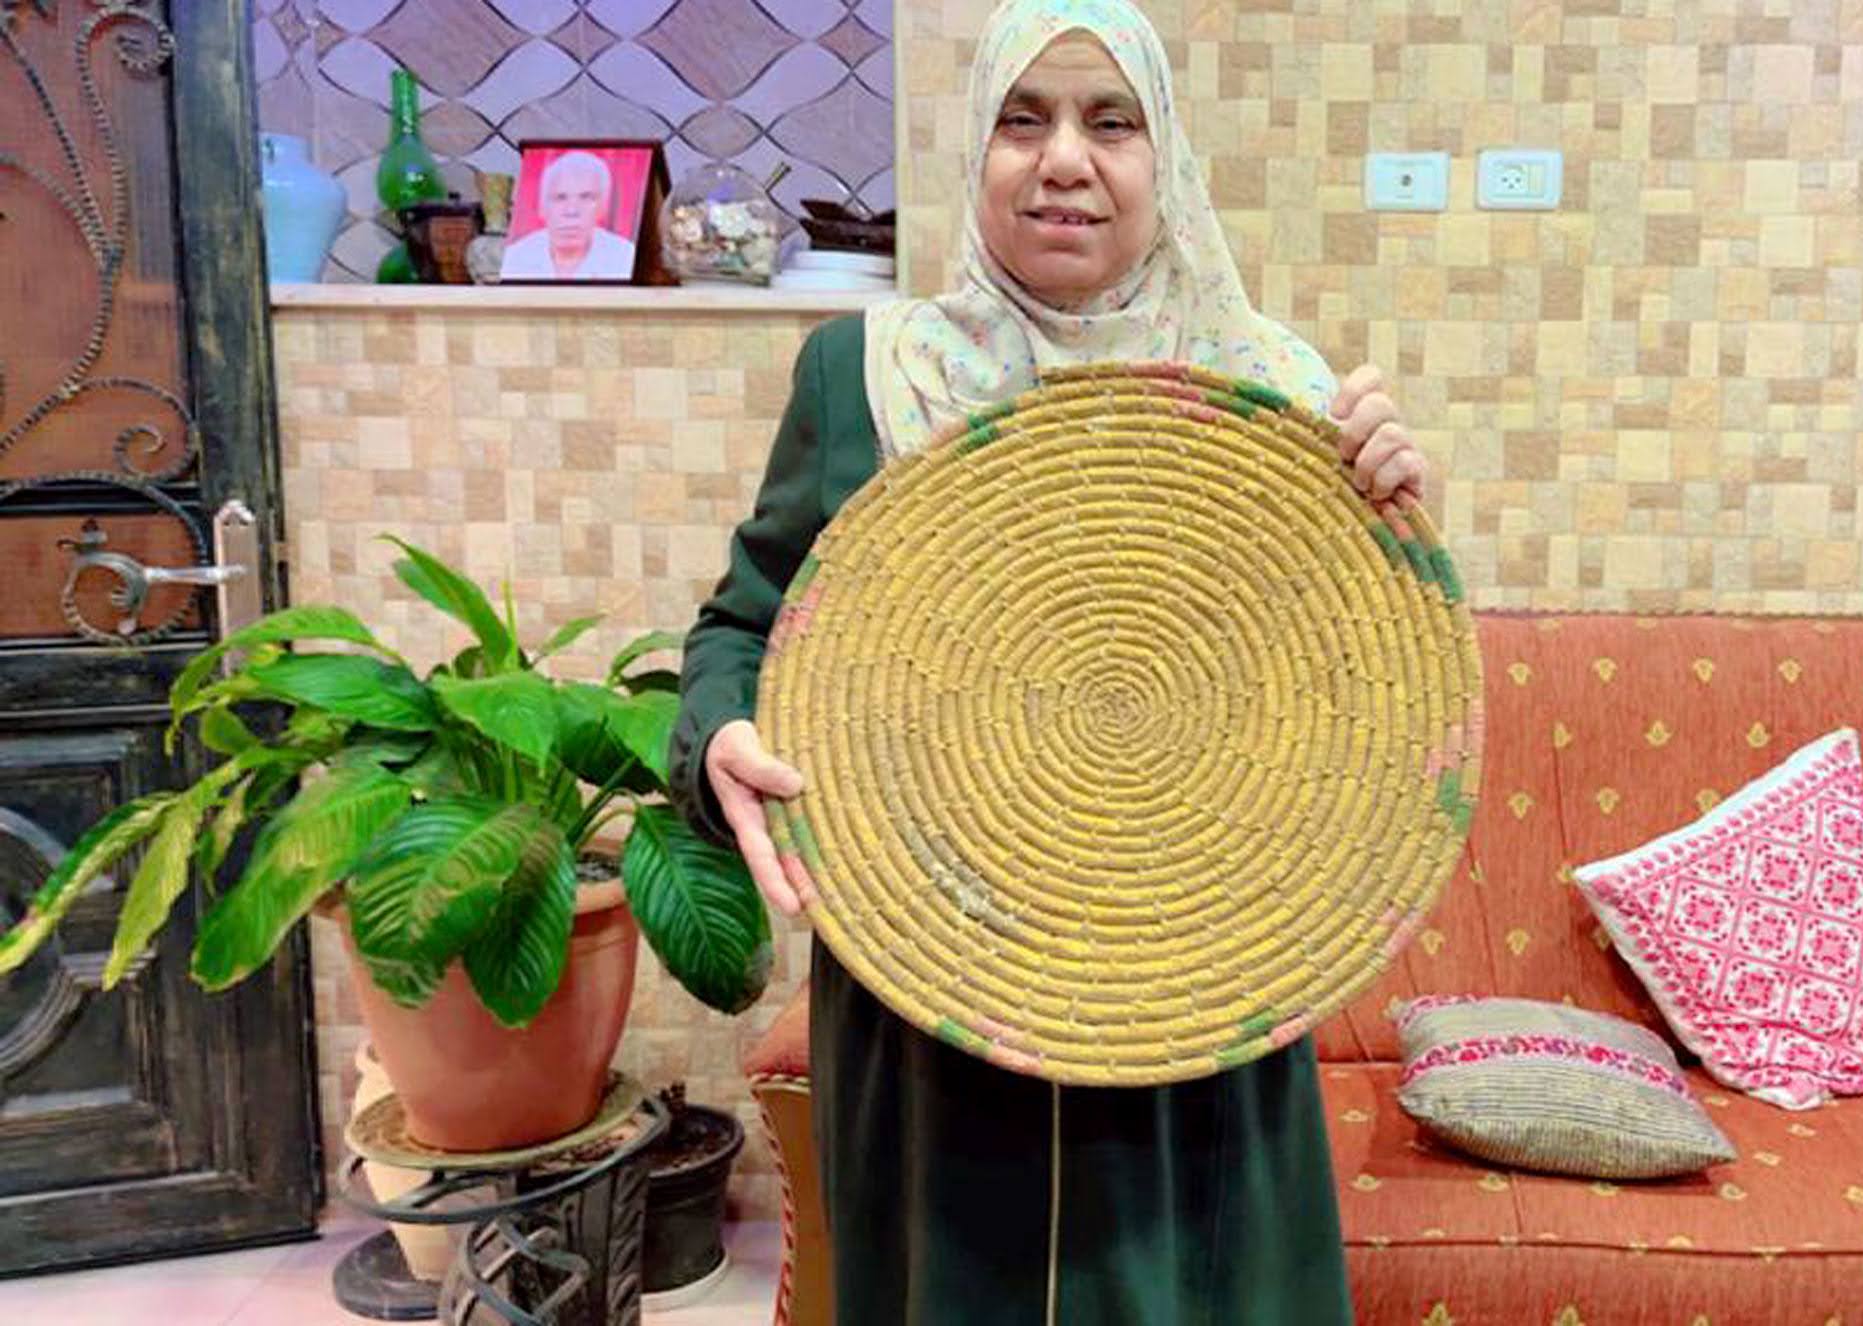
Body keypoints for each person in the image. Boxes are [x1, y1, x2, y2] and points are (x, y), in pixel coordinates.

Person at [667, 1, 1425, 1321]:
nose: (1064, 159)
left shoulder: (1273, 397)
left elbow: (1350, 697)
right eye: (1023, 118)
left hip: (1203, 1005)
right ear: (974, 153)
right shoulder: (865, 377)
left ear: (1165, 159)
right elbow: (743, 623)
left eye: (1109, 120)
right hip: (928, 1008)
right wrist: (719, 733)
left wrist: (1396, 522)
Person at [500, 149, 636, 279]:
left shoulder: (626, 258)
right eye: (560, 197)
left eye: (586, 197)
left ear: (603, 207)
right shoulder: (516, 257)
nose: (571, 211)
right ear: (542, 207)